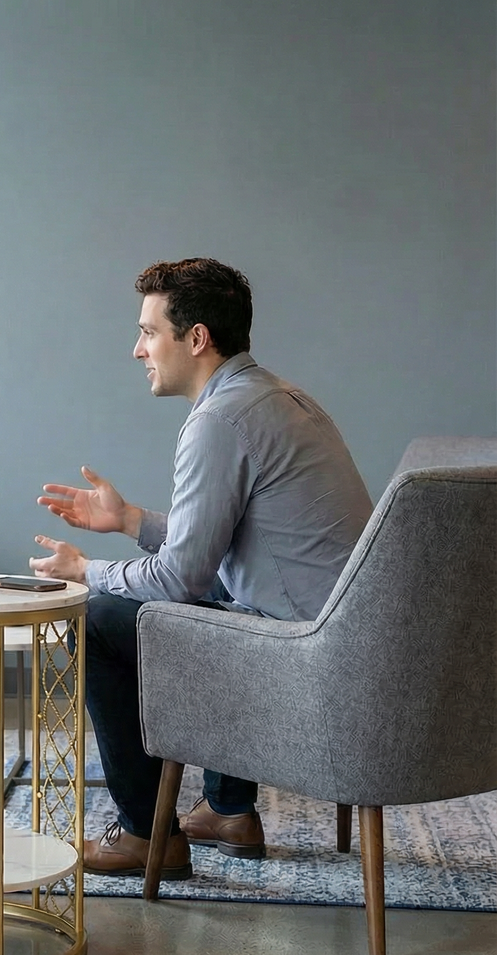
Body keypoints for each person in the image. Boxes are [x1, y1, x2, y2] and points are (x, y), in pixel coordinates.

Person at [31, 258, 372, 878]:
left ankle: (143, 836)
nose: (138, 350)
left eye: (148, 332)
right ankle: (228, 810)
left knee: (101, 618)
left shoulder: (218, 420)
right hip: (345, 642)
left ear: (196, 338)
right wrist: (131, 520)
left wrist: (85, 572)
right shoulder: (278, 398)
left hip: (307, 660)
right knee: (221, 591)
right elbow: (239, 548)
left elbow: (175, 580)